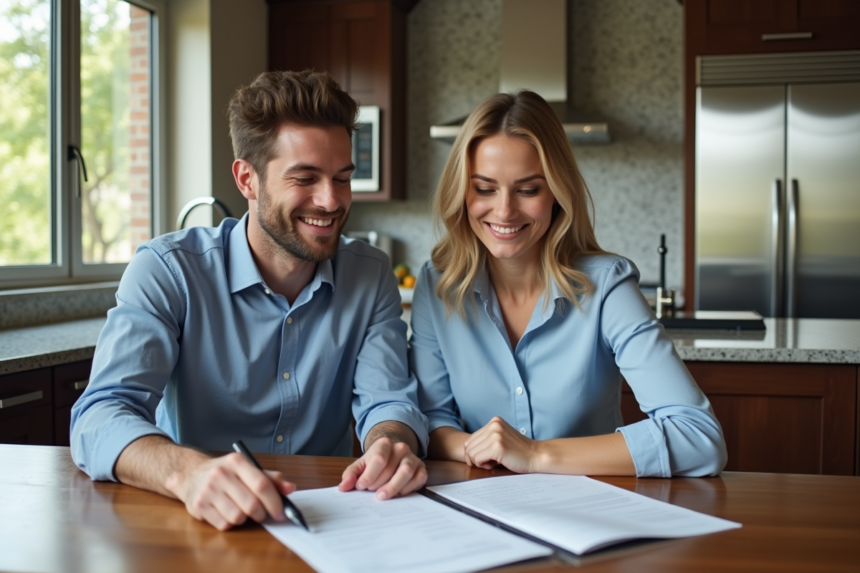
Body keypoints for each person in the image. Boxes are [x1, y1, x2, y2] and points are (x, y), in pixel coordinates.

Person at [71, 70, 429, 531]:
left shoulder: (371, 273)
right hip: (196, 520)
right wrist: (186, 473)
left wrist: (391, 442)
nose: (331, 200)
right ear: (247, 179)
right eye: (306, 178)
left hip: (329, 519)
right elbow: (100, 415)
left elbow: (387, 401)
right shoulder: (168, 269)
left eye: (342, 179)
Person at [409, 90, 727, 477]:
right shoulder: (436, 285)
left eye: (528, 189)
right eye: (485, 188)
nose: (504, 210)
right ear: (462, 191)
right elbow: (427, 420)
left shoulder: (607, 286)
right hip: (481, 509)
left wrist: (535, 454)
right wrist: (477, 448)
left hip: (591, 512)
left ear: (557, 193)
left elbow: (698, 437)